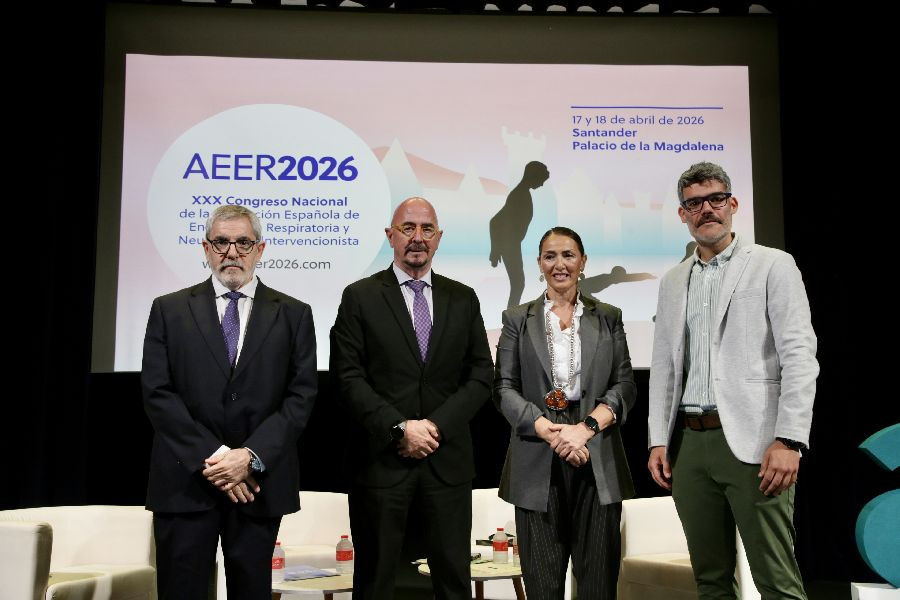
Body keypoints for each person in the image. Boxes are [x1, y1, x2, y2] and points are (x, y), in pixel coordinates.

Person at [647, 162, 818, 600]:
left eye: (715, 199)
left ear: (733, 204)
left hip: (756, 444)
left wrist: (790, 439)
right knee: (710, 581)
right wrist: (657, 441)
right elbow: (665, 366)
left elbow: (799, 357)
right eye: (694, 203)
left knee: (776, 581)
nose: (707, 209)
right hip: (688, 446)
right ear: (682, 214)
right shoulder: (672, 281)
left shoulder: (772, 265)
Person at [142, 205, 317, 600]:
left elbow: (301, 395)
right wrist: (221, 457)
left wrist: (250, 456)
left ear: (260, 249)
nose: (232, 252)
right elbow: (158, 393)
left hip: (258, 485)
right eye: (221, 242)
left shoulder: (293, 314)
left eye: (243, 242)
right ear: (206, 248)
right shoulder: (168, 310)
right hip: (185, 484)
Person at [330, 196, 493, 600]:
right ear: (390, 236)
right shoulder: (360, 297)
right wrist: (399, 427)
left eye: (426, 229)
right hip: (381, 463)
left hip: (447, 461)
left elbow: (480, 375)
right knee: (375, 583)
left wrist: (434, 427)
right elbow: (347, 377)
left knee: (454, 582)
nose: (417, 238)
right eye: (407, 228)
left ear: (438, 238)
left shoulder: (463, 297)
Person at [494, 226, 636, 600]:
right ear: (539, 264)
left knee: (598, 586)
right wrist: (550, 431)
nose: (560, 264)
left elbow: (624, 386)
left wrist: (585, 428)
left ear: (583, 262)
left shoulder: (607, 316)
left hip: (597, 451)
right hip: (536, 453)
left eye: (568, 255)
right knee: (542, 586)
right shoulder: (516, 319)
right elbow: (504, 388)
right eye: (550, 256)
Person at [489, 160, 551, 308]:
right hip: (509, 245)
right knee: (518, 284)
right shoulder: (519, 195)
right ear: (533, 176)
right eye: (541, 180)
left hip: (512, 245)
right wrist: (495, 249)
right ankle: (511, 319)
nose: (542, 184)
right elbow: (495, 221)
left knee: (518, 284)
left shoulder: (522, 193)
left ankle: (511, 317)